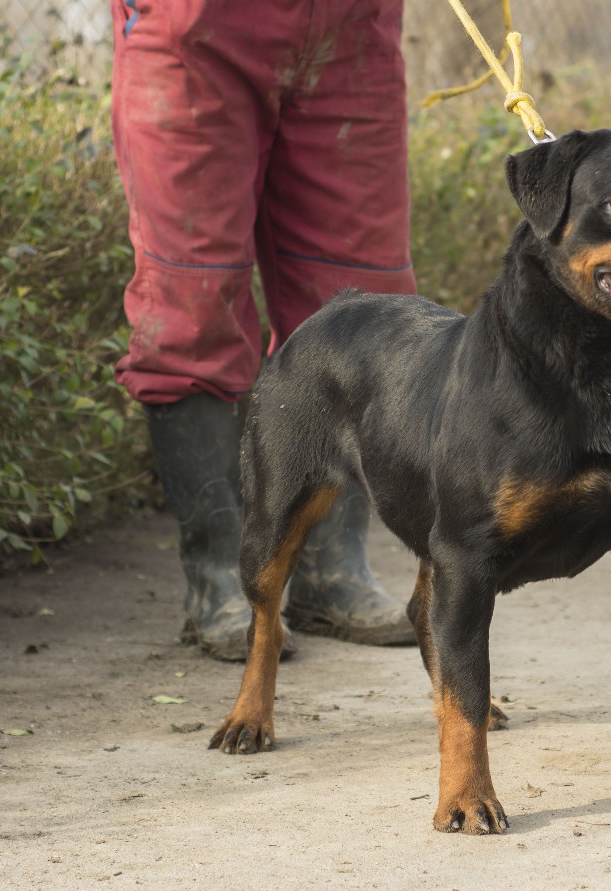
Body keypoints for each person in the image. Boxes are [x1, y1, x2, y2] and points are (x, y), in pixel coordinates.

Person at [109, 0, 416, 659]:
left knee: (361, 303)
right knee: (189, 303)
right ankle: (219, 577)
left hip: (349, 30)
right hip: (196, 29)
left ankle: (332, 570)